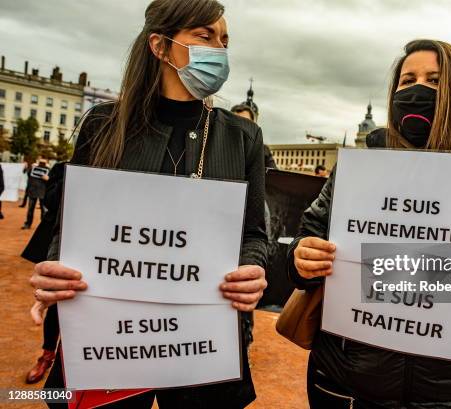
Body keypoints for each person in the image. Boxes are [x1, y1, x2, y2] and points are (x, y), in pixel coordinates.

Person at [28, 1, 267, 407]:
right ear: (160, 45)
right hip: (111, 343)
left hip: (202, 344)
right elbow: (71, 225)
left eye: (225, 40)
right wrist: (55, 271)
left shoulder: (242, 137)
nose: (219, 50)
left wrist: (254, 268)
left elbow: (254, 234)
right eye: (204, 36)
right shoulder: (104, 124)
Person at [287, 39, 451, 409]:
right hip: (345, 384)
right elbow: (306, 243)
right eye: (407, 81)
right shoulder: (358, 172)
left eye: (434, 81)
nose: (418, 89)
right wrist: (302, 258)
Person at [22, 162, 66, 384]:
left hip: (97, 245)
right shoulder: (61, 168)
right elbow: (49, 201)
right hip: (61, 243)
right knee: (56, 303)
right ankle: (47, 356)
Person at [231, 103, 277, 169]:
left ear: (253, 126)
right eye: (236, 122)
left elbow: (274, 175)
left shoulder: (263, 150)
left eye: (246, 123)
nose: (241, 127)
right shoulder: (220, 146)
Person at [21, 158, 50, 230]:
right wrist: (29, 166)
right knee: (30, 209)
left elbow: (51, 180)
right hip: (32, 191)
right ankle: (28, 223)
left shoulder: (49, 170)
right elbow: (26, 173)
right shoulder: (32, 168)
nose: (41, 164)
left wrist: (48, 178)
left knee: (44, 210)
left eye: (43, 163)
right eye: (40, 162)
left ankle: (43, 226)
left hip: (43, 192)